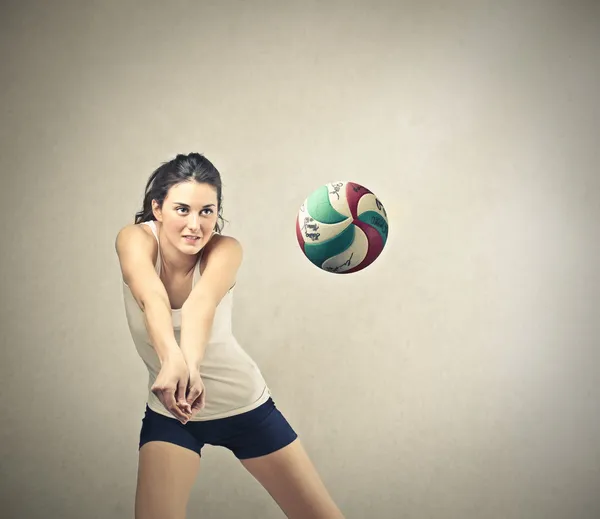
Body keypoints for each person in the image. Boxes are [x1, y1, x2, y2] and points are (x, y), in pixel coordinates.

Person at [115, 153, 344, 519]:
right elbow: (150, 296)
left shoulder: (225, 249)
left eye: (207, 211)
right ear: (157, 209)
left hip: (245, 407)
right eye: (182, 209)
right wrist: (173, 362)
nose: (195, 224)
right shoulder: (134, 240)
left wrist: (187, 366)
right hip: (174, 413)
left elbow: (199, 305)